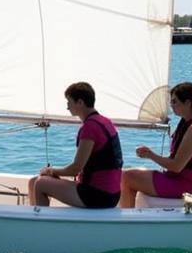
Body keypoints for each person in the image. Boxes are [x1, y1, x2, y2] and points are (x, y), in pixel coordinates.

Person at [27, 81, 123, 209]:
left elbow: (75, 169)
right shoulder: (105, 121)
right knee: (34, 181)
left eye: (69, 102)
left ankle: (41, 225)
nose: (67, 107)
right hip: (111, 193)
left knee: (40, 184)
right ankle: (34, 218)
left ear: (80, 102)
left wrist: (51, 170)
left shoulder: (90, 128)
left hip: (99, 195)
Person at [119, 81, 192, 206]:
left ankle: (127, 221)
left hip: (188, 185)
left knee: (127, 177)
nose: (171, 106)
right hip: (180, 179)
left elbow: (176, 166)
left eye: (175, 102)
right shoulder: (188, 122)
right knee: (134, 172)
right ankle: (131, 216)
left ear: (188, 103)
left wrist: (151, 155)